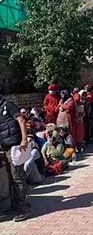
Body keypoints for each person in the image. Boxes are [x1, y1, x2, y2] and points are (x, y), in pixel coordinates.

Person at [0, 90, 31, 221]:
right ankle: (15, 206)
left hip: (15, 147)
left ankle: (24, 209)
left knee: (17, 178)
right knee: (11, 179)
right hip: (5, 148)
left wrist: (24, 139)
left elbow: (21, 120)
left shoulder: (8, 105)